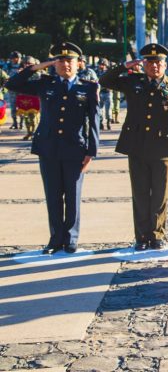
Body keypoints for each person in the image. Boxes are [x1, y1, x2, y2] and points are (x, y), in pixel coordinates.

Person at [6, 42, 100, 254]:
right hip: (48, 147)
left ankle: (71, 238)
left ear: (79, 64)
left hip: (75, 149)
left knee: (73, 194)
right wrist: (38, 66)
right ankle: (55, 239)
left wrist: (91, 152)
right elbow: (12, 84)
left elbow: (94, 121)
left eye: (70, 61)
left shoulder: (88, 87)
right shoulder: (45, 83)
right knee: (53, 194)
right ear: (54, 64)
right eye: (61, 60)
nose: (65, 64)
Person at [99, 43, 168, 250]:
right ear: (144, 64)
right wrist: (125, 66)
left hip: (162, 147)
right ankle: (141, 237)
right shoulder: (133, 82)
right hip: (137, 146)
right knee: (140, 193)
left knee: (160, 194)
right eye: (149, 61)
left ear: (165, 65)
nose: (154, 66)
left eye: (158, 62)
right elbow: (104, 80)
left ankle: (157, 235)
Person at [16, 56, 42, 140]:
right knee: (25, 117)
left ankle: (34, 133)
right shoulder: (21, 74)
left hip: (34, 98)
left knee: (34, 117)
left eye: (29, 64)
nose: (27, 65)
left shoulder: (38, 74)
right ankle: (29, 132)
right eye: (25, 63)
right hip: (24, 98)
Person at [5, 51, 22, 129]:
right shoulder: (8, 66)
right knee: (13, 106)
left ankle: (21, 122)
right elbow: (5, 75)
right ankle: (15, 122)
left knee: (22, 106)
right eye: (13, 58)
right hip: (12, 90)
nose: (14, 60)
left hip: (22, 90)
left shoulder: (22, 65)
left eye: (16, 58)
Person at [96, 59, 113, 130]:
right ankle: (101, 123)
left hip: (108, 92)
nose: (101, 66)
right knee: (100, 109)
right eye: (100, 64)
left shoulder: (109, 72)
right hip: (100, 92)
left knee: (108, 109)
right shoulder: (97, 72)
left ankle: (108, 122)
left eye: (102, 64)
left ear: (105, 65)